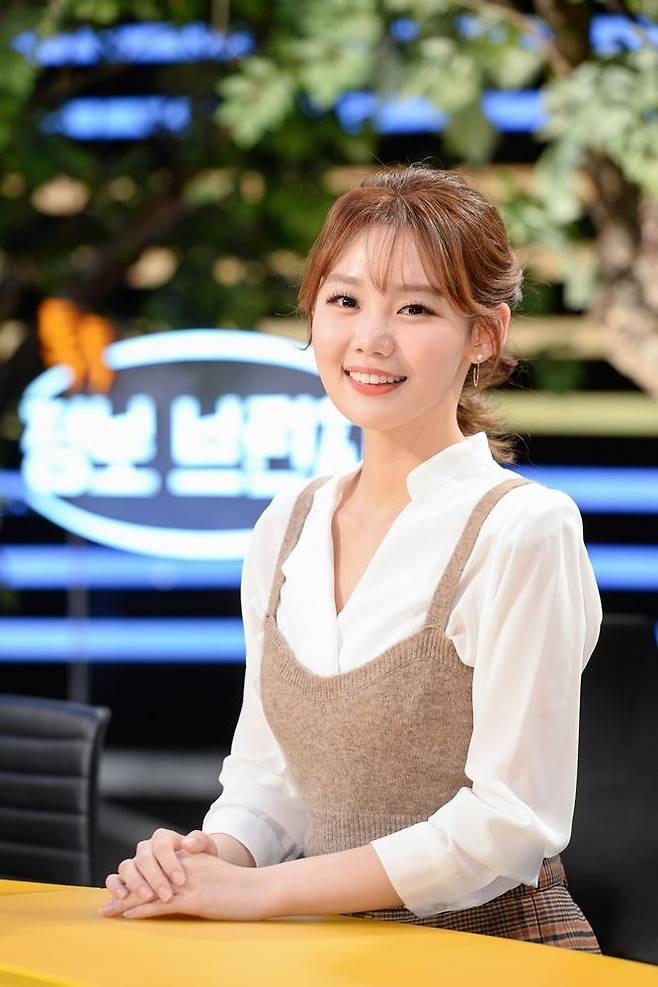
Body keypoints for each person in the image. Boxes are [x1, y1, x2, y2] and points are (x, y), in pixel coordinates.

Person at [100, 164, 602, 951]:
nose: (371, 338)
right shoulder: (287, 525)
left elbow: (508, 823)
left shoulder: (522, 529)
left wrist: (261, 892)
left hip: (496, 954)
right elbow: (270, 782)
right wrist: (206, 860)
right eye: (345, 301)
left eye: (415, 307)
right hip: (331, 954)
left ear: (486, 333)